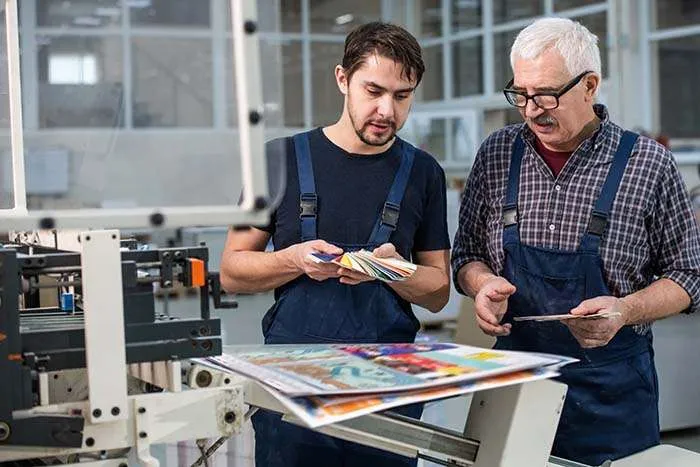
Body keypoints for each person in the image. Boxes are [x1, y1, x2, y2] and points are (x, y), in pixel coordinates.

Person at [451, 17, 700, 466]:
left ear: (589, 85)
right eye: (520, 93)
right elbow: (466, 255)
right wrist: (481, 285)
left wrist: (624, 310)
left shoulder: (648, 164)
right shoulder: (496, 154)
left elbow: (689, 276)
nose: (530, 109)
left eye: (545, 94)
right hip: (514, 387)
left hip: (613, 399)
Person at [220, 22, 451, 467]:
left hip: (387, 387)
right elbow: (232, 270)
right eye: (374, 90)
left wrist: (391, 270)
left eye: (402, 96)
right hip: (293, 383)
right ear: (343, 79)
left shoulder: (424, 172)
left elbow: (439, 291)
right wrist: (293, 259)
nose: (387, 109)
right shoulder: (279, 159)